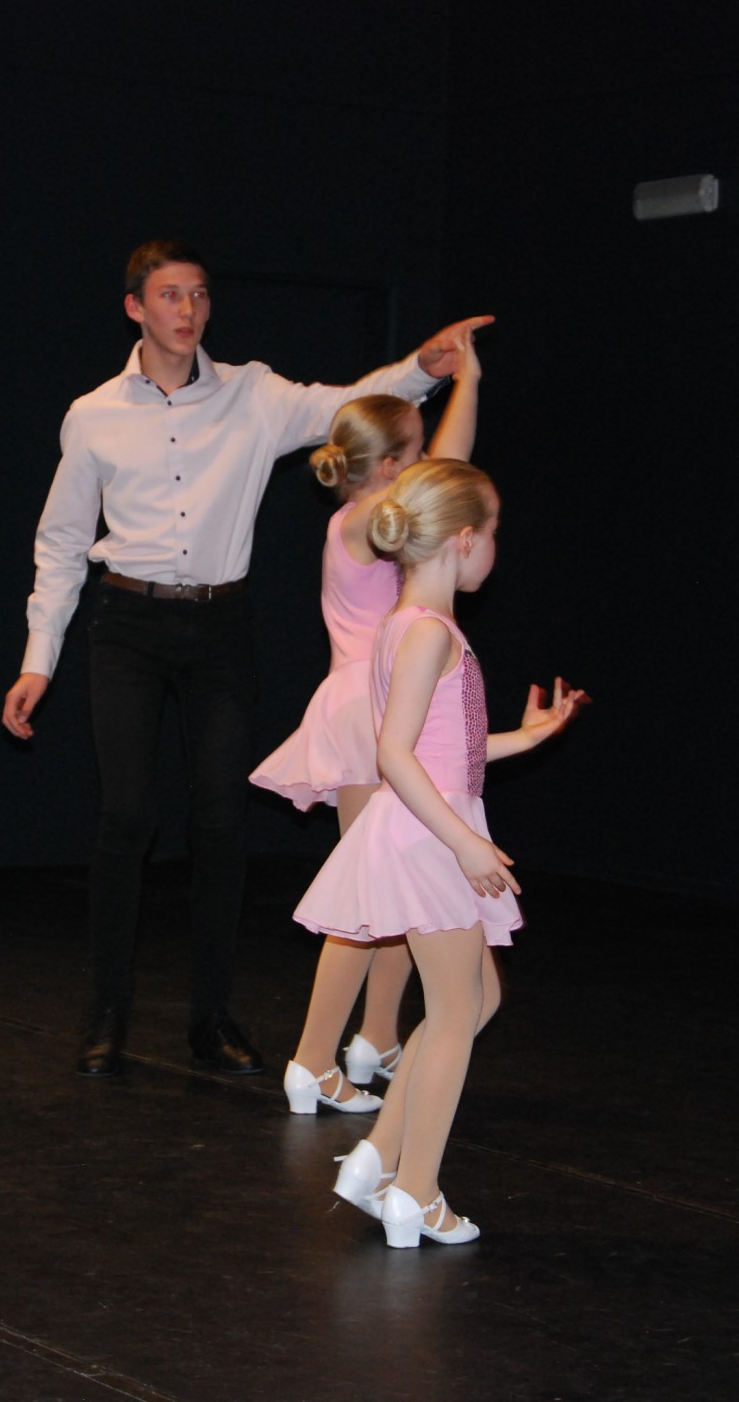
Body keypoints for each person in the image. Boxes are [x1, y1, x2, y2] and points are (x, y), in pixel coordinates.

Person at [1, 238, 491, 1078]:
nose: (186, 310)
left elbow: (350, 405)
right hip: (127, 622)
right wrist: (37, 658)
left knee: (221, 822)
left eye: (198, 294)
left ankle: (211, 1017)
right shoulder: (93, 414)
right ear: (135, 308)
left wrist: (425, 367)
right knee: (128, 818)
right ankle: (107, 1013)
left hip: (219, 625)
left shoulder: (253, 394)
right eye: (168, 295)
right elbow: (61, 540)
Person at [293, 459, 586, 1246]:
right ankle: (414, 1193)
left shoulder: (408, 626)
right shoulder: (426, 633)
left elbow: (444, 750)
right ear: (462, 540)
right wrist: (465, 843)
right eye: (493, 531)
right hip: (431, 837)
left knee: (476, 1001)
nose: (495, 547)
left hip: (428, 826)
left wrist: (529, 736)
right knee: (457, 1012)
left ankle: (379, 1154)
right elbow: (394, 755)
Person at [252, 332, 483, 1115]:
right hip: (366, 711)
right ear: (387, 470)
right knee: (363, 899)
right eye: (414, 454)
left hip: (375, 700)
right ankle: (315, 1060)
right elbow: (453, 474)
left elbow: (447, 471)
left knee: (401, 892)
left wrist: (465, 381)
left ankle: (375, 1037)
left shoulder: (365, 517)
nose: (425, 464)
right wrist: (468, 382)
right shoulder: (364, 522)